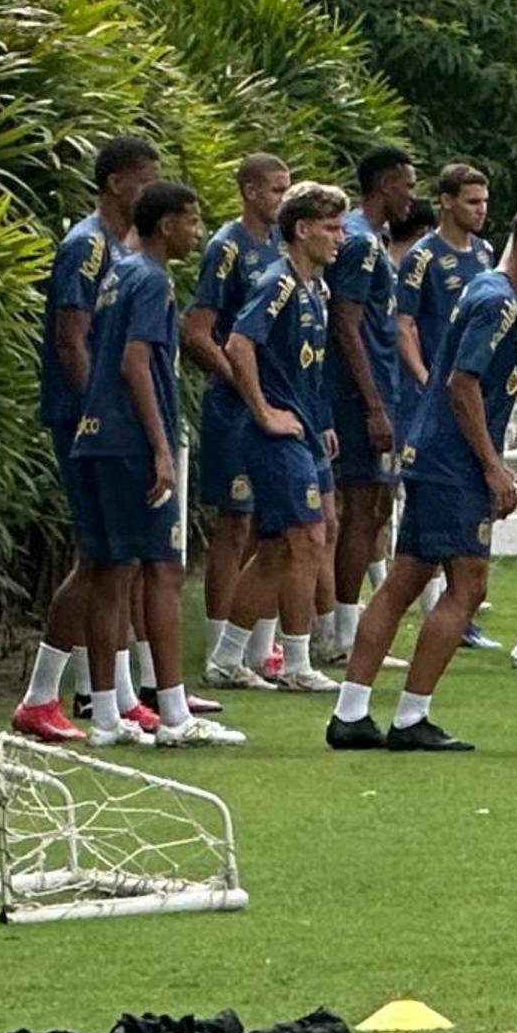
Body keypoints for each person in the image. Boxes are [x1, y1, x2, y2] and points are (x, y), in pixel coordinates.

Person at [329, 202, 517, 753]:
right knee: (468, 585)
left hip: (429, 455)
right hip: (453, 466)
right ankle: (410, 716)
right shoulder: (498, 303)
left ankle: (351, 711)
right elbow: (463, 384)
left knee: (403, 581)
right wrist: (493, 467)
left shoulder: (485, 290)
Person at [67, 179, 242, 747]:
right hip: (130, 444)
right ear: (167, 224)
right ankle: (172, 713)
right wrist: (162, 447)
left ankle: (104, 718)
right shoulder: (152, 280)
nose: (198, 231)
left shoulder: (117, 271)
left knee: (110, 574)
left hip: (95, 437)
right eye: (193, 221)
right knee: (161, 572)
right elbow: (135, 362)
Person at [13, 135, 158, 745]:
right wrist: (96, 408)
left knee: (116, 555)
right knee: (100, 554)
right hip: (84, 423)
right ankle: (42, 695)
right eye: (146, 177)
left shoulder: (119, 248)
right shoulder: (83, 246)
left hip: (108, 422)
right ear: (116, 182)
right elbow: (70, 340)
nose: (153, 187)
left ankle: (116, 695)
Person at [226, 183, 350, 693]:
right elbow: (238, 344)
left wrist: (320, 419)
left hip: (305, 430)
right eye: (331, 228)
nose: (340, 239)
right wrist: (264, 411)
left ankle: (228, 657)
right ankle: (297, 662)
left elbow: (303, 367)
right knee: (306, 539)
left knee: (282, 546)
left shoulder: (315, 289)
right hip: (277, 435)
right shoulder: (277, 282)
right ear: (302, 230)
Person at [184, 152, 295, 690]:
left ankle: (256, 646)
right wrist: (240, 382)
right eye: (275, 190)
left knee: (270, 524)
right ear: (250, 191)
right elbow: (198, 330)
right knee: (234, 523)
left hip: (276, 406)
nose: (281, 198)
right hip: (235, 407)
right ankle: (217, 646)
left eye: (286, 190)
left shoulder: (282, 246)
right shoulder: (227, 247)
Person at [395, 164, 499, 651]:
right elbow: (405, 325)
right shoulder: (422, 258)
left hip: (475, 395)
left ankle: (463, 613)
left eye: (483, 201)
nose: (480, 210)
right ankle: (444, 608)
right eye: (472, 201)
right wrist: (422, 377)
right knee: (437, 506)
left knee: (474, 499)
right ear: (446, 202)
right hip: (437, 398)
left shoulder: (485, 254)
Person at [322, 146, 416, 663]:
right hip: (360, 398)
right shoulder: (358, 242)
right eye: (408, 184)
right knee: (363, 508)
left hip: (378, 390)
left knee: (374, 508)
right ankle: (339, 633)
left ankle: (340, 625)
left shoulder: (372, 238)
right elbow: (346, 321)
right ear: (385, 185)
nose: (412, 195)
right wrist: (373, 403)